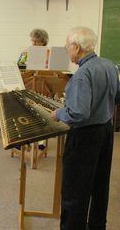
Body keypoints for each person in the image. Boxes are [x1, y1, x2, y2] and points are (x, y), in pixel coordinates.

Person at [51, 26, 120, 230]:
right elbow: (117, 97)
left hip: (85, 136)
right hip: (106, 133)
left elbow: (78, 114)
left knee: (75, 190)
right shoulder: (109, 66)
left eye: (67, 46)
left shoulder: (82, 75)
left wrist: (59, 113)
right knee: (100, 185)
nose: (66, 50)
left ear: (76, 47)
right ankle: (98, 226)